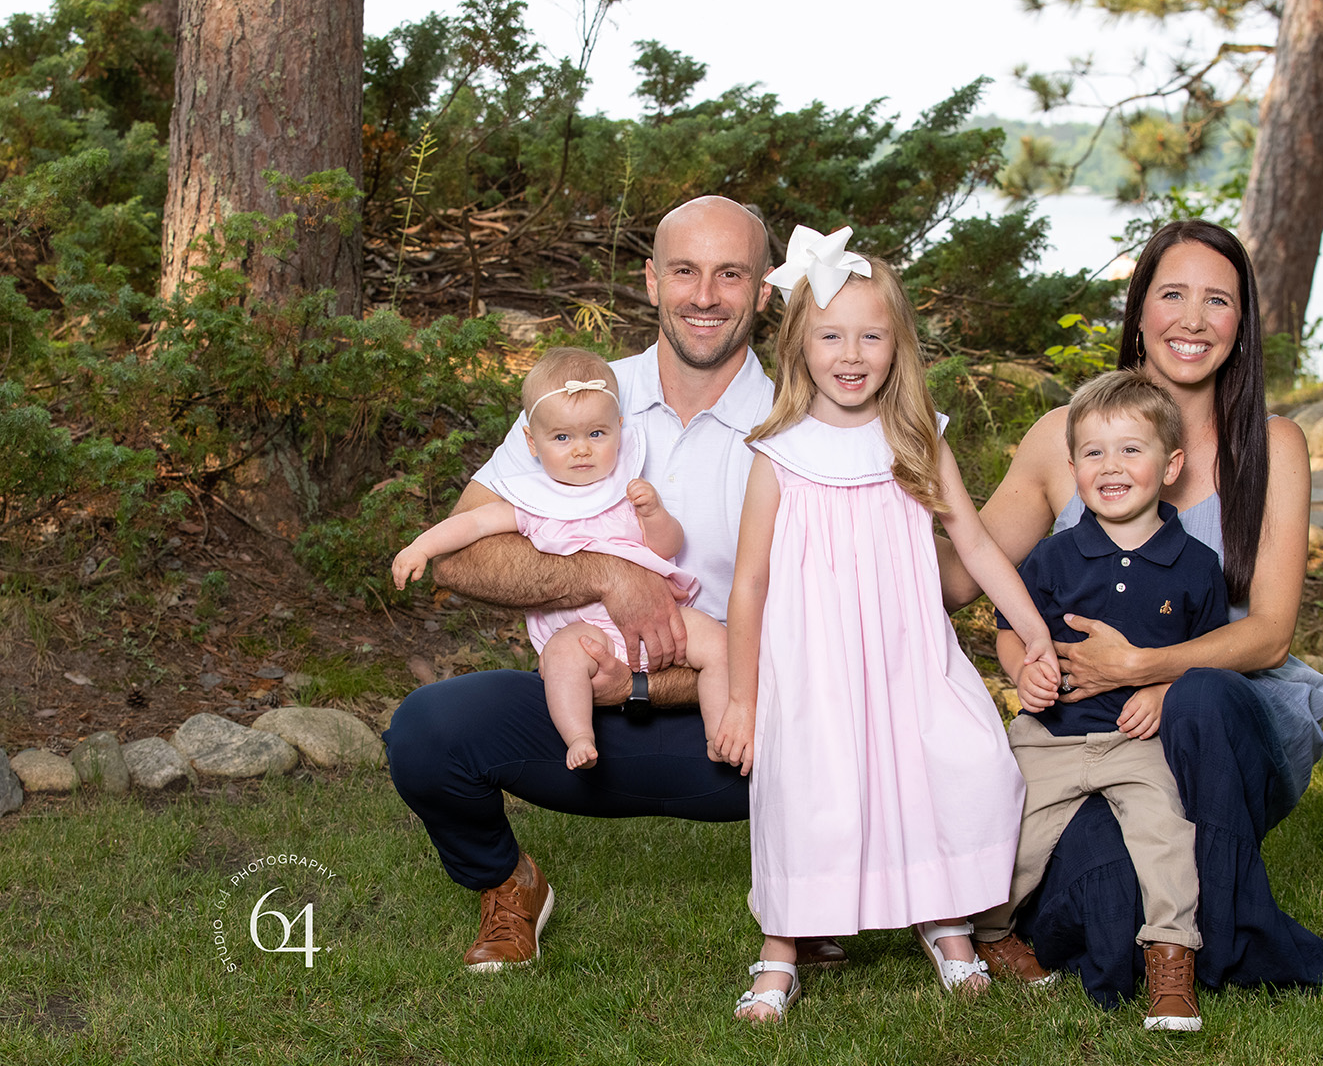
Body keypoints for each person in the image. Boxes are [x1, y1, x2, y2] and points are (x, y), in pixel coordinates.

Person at [384, 196, 841, 973]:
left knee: (853, 719)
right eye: (685, 272)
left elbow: (839, 614)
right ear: (650, 282)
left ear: (765, 290)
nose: (705, 295)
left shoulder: (804, 420)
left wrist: (652, 679)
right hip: (579, 706)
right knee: (428, 730)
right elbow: (460, 554)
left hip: (739, 718)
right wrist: (604, 574)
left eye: (731, 274)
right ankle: (509, 883)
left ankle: (823, 893)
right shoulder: (580, 399)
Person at [944, 219, 1323, 1007]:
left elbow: (1268, 634)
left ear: (1242, 322)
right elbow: (967, 579)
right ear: (1140, 310)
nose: (1193, 319)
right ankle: (1183, 946)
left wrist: (1145, 667)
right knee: (1100, 906)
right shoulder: (1066, 437)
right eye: (1173, 295)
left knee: (1201, 695)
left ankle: (1212, 948)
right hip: (1084, 730)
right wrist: (875, 480)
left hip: (1219, 722)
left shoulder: (1275, 445)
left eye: (1217, 300)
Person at [713, 228, 1059, 1022]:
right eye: (831, 335)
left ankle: (944, 918)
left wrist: (1030, 626)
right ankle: (782, 947)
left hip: (906, 651)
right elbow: (752, 581)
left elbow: (971, 540)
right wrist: (740, 696)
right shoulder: (780, 452)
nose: (851, 353)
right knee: (814, 793)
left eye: (871, 335)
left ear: (897, 346)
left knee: (951, 767)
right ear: (800, 345)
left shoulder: (916, 438)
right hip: (814, 663)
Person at [985, 369, 1229, 1031]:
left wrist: (1159, 686)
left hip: (1134, 741)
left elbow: (1206, 655)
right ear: (1073, 466)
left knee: (1166, 841)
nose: (1111, 466)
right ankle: (988, 935)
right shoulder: (1052, 557)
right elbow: (1014, 632)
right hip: (1052, 737)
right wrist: (1023, 672)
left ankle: (1171, 964)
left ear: (1170, 464)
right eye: (1094, 452)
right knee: (1010, 840)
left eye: (1131, 449)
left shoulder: (1196, 565)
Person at [389, 348, 725, 772]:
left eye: (597, 435)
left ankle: (719, 732)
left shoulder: (627, 490)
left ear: (618, 431)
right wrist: (421, 547)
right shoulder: (536, 500)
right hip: (585, 628)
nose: (581, 450)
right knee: (564, 659)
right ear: (533, 442)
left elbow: (667, 548)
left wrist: (655, 514)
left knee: (717, 643)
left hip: (663, 621)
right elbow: (472, 525)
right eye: (563, 438)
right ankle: (579, 736)